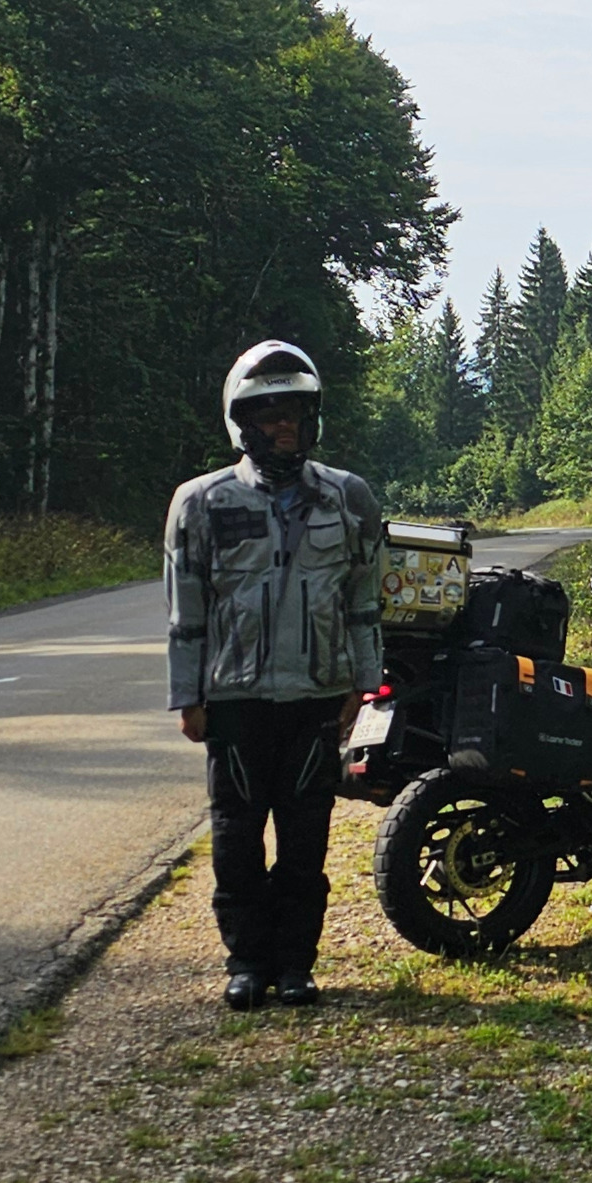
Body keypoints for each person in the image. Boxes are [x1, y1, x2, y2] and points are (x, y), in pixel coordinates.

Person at [164, 340, 383, 1009]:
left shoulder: (349, 497)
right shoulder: (200, 503)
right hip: (233, 703)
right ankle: (245, 963)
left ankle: (296, 966)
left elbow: (365, 600)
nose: (282, 425)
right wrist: (187, 696)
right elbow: (185, 606)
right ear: (241, 422)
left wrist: (363, 687)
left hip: (315, 699)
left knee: (304, 840)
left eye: (293, 411)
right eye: (267, 413)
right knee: (234, 841)